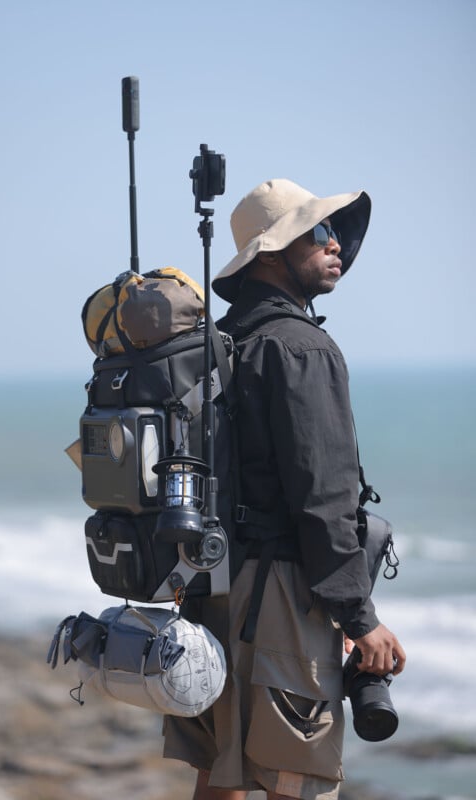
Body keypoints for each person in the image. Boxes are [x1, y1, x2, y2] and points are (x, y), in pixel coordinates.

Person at [163, 178, 406, 800]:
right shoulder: (301, 347)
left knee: (219, 775)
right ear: (270, 253)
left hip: (209, 584)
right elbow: (323, 500)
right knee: (296, 781)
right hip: (278, 601)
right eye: (319, 232)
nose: (336, 246)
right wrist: (359, 616)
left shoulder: (216, 343)